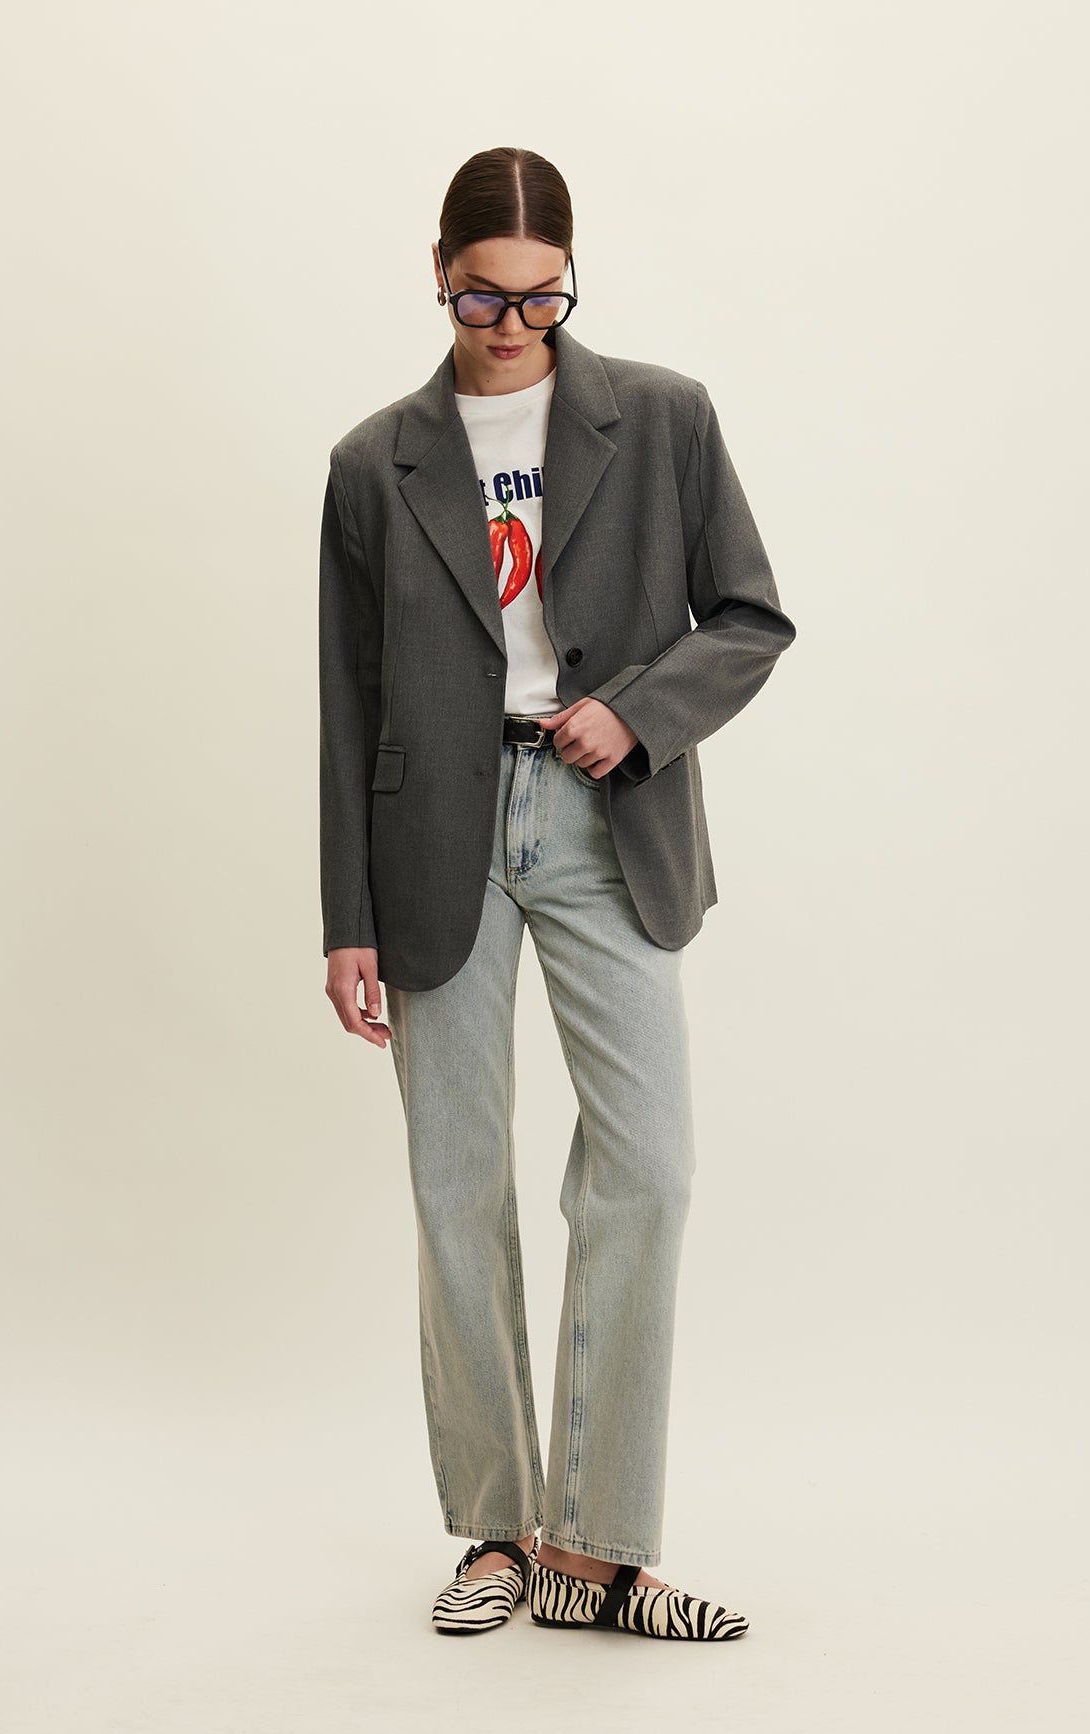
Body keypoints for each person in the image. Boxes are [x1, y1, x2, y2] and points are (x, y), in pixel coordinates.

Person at [319, 146, 796, 1640]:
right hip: (435, 836)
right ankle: (495, 1531)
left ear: (570, 278)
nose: (512, 325)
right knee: (456, 1186)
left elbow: (751, 616)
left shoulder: (662, 418)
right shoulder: (374, 461)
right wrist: (346, 917)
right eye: (482, 297)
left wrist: (637, 714)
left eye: (542, 297)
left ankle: (598, 1551)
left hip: (608, 819)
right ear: (438, 273)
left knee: (648, 1168)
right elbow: (347, 700)